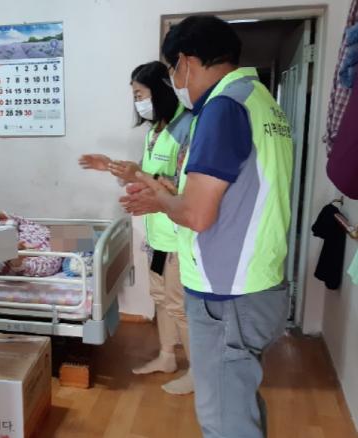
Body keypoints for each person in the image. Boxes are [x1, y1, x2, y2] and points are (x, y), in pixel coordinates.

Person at [120, 16, 293, 438]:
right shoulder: (259, 99)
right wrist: (167, 193)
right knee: (240, 404)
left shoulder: (222, 108)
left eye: (172, 70)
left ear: (185, 62)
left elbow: (197, 214)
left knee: (223, 420)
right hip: (257, 281)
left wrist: (158, 200)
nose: (175, 82)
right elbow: (233, 192)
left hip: (227, 291)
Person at [79, 61, 194, 395]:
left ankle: (198, 371)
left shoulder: (187, 127)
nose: (137, 102)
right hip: (157, 232)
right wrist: (111, 167)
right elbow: (145, 173)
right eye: (135, 96)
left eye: (140, 94)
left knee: (179, 306)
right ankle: (167, 356)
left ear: (161, 90)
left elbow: (183, 186)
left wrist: (140, 175)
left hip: (178, 234)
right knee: (161, 298)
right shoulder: (155, 131)